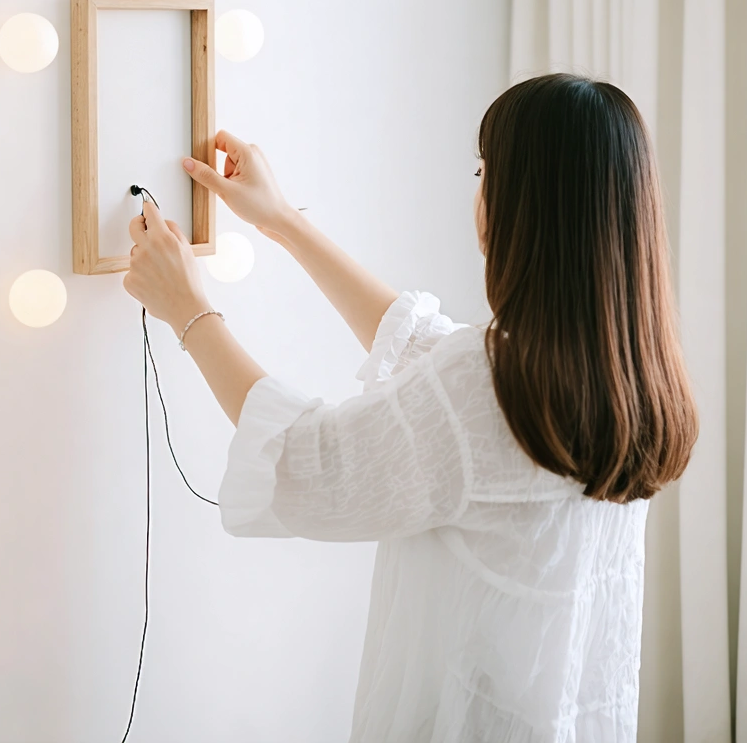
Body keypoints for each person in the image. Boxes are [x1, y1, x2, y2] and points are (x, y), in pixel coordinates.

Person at [122, 72, 699, 743]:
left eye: (484, 168)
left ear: (526, 203)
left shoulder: (489, 384)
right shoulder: (628, 376)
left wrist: (188, 311)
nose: (477, 189)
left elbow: (312, 464)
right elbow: (426, 348)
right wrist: (280, 221)